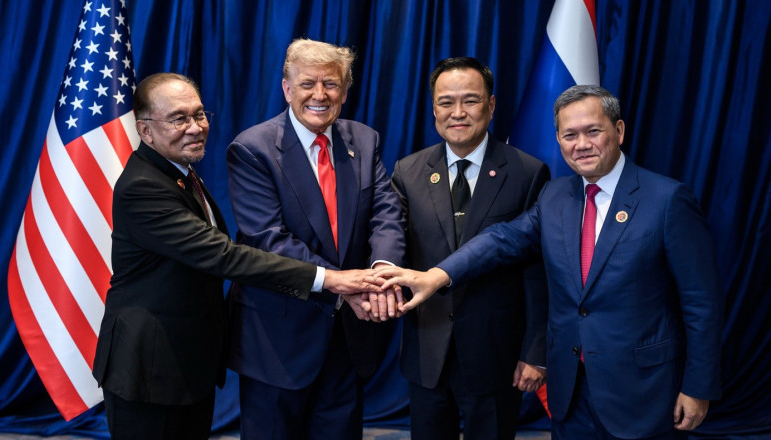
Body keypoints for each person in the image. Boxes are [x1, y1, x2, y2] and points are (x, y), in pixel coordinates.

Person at [377, 85, 722, 440]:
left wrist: (698, 387)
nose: (581, 144)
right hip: (569, 391)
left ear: (618, 131)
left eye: (593, 131)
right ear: (558, 139)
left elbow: (701, 304)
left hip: (642, 391)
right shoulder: (555, 196)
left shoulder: (667, 199)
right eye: (569, 135)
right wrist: (438, 275)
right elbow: (501, 239)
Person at [92, 73, 380, 440]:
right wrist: (332, 279)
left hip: (187, 365)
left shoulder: (181, 174)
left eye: (199, 114)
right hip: (151, 367)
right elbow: (226, 257)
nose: (195, 128)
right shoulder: (144, 187)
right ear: (145, 131)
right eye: (179, 118)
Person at [225, 39, 406, 440]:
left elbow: (386, 213)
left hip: (347, 338)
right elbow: (268, 239)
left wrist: (382, 272)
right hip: (279, 340)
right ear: (287, 89)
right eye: (308, 83)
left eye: (332, 84)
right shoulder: (252, 149)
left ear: (345, 90)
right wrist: (345, 286)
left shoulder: (364, 139)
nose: (320, 95)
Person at [390, 57, 550, 440]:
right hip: (427, 349)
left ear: (491, 106)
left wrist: (535, 350)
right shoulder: (408, 171)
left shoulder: (529, 172)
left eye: (471, 101)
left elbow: (539, 272)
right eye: (446, 102)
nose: (457, 113)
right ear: (433, 109)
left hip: (497, 355)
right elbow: (393, 245)